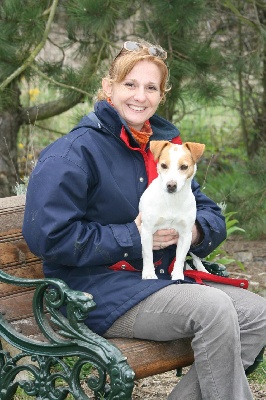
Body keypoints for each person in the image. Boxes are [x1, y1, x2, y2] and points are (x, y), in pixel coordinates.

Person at [23, 40, 266, 399]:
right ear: (109, 87)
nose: (140, 96)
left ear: (161, 95)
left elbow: (208, 211)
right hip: (94, 292)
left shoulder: (166, 149)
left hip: (159, 280)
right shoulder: (73, 153)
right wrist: (133, 237)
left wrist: (194, 230)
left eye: (150, 87)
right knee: (214, 310)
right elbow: (48, 238)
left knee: (256, 313)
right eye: (130, 85)